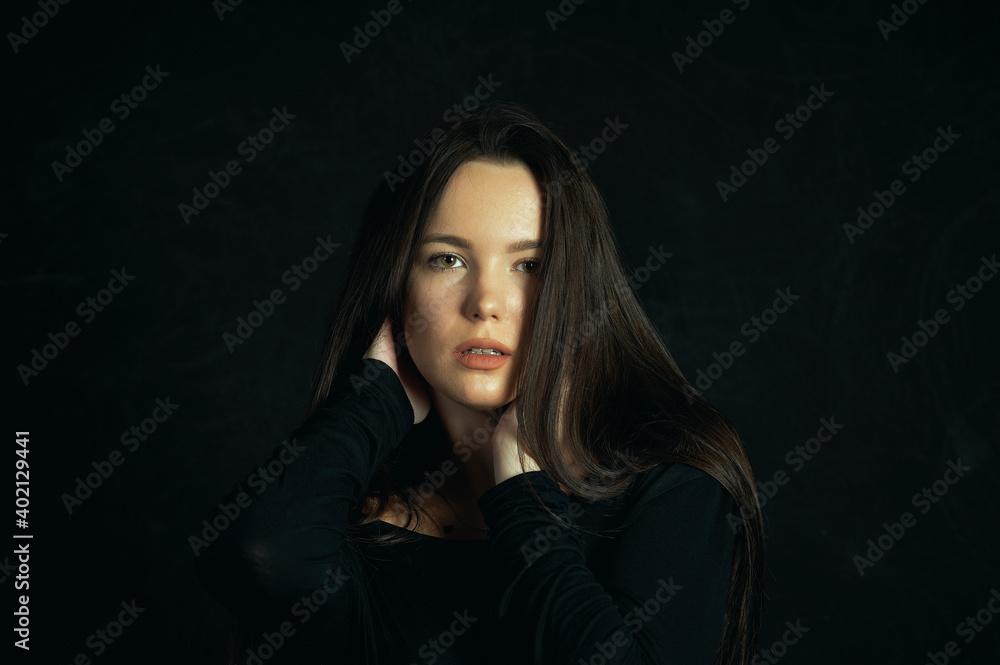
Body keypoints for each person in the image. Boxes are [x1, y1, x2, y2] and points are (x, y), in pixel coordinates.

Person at [195, 101, 765, 664]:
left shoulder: (671, 485)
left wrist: (520, 498)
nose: (486, 303)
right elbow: (259, 554)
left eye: (530, 265)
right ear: (396, 286)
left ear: (580, 290)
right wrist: (373, 399)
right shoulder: (348, 524)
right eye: (447, 260)